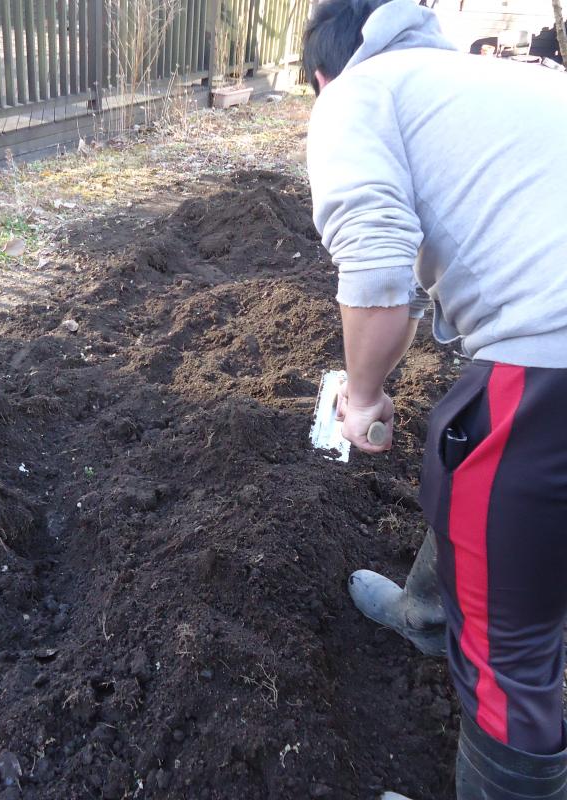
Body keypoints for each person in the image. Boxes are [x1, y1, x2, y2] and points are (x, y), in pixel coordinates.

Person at [302, 0, 567, 797]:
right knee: (468, 459)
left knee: (511, 661)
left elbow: (379, 275)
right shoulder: (498, 79)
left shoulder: (356, 94)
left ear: (321, 76)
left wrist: (361, 395)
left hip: (550, 367)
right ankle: (427, 618)